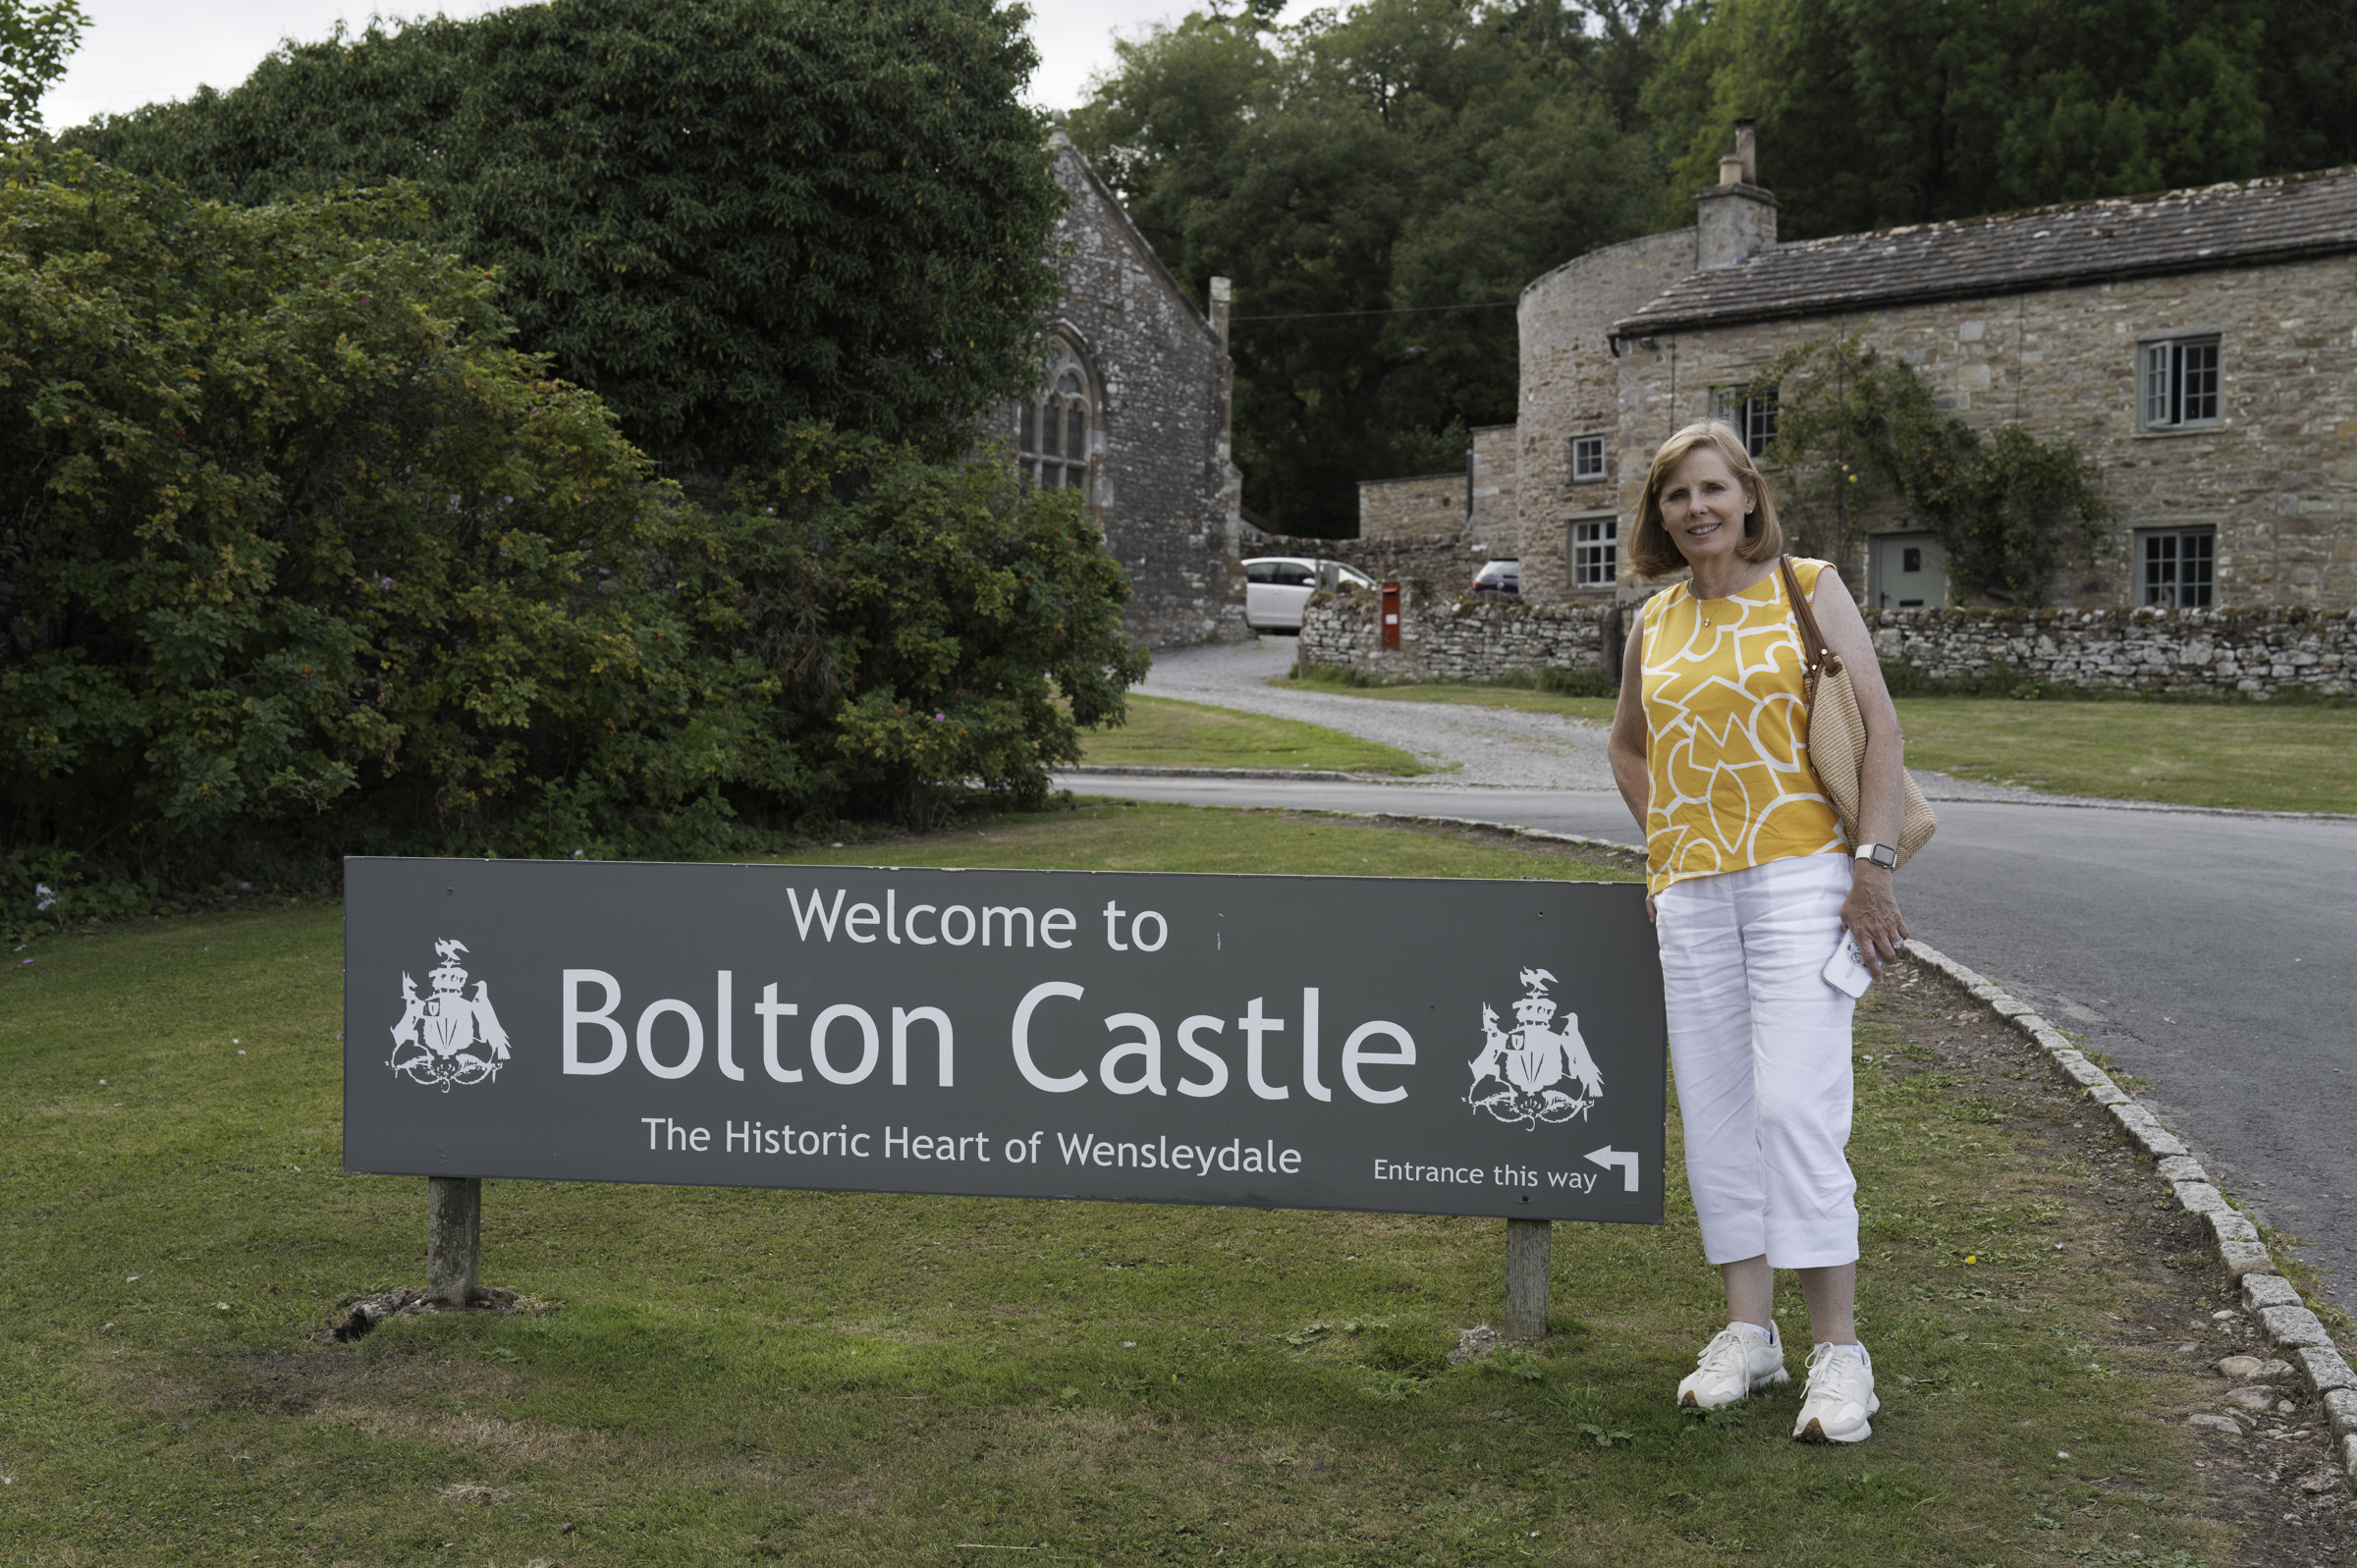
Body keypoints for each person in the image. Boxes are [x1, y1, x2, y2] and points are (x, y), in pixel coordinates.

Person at [1605, 419, 1912, 1444]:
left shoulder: (1809, 586)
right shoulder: (1653, 619)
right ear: (1660, 515)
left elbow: (1879, 732)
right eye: (1675, 496)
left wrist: (1871, 867)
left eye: (1711, 490)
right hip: (1693, 896)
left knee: (1794, 1109)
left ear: (1747, 495)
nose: (1695, 509)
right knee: (1721, 1118)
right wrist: (1664, 850)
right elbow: (1627, 746)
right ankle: (1751, 1332)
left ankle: (1840, 1353)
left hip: (1799, 881)